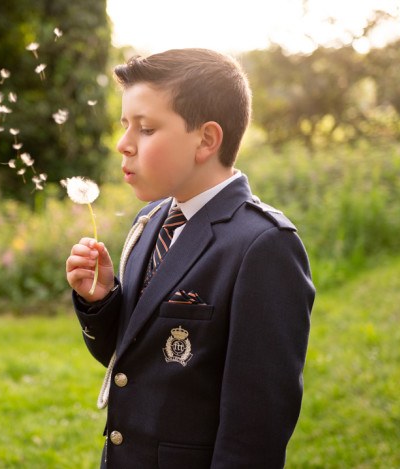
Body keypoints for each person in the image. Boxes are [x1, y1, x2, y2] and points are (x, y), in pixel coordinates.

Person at [65, 48, 315, 468]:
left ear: (206, 139)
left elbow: (255, 430)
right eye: (125, 125)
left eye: (145, 129)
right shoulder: (150, 221)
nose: (122, 144)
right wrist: (102, 300)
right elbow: (132, 360)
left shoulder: (263, 245)